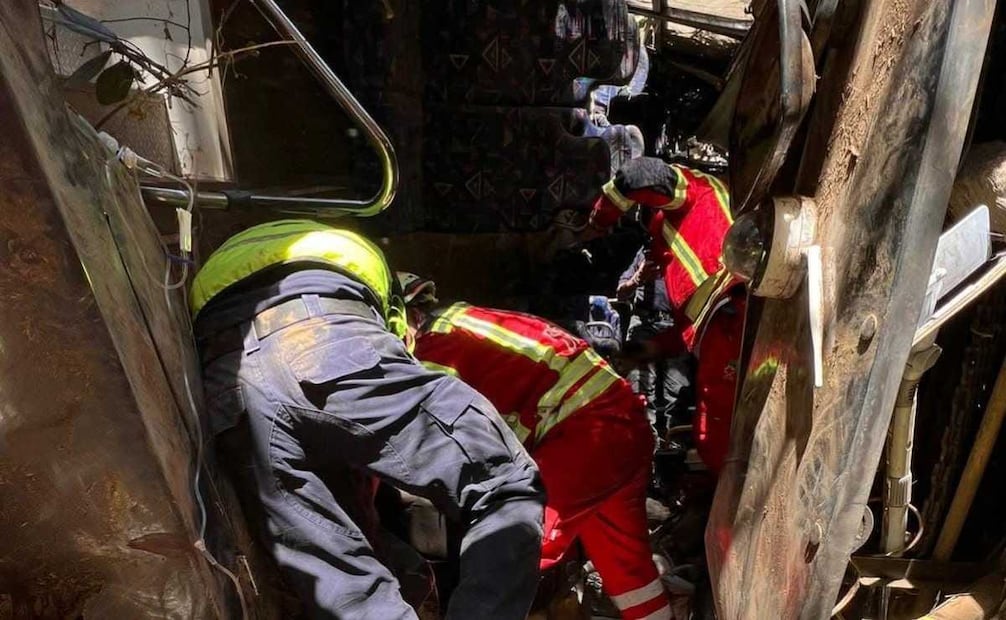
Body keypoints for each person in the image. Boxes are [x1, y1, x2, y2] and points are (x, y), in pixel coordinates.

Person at [190, 220, 545, 619]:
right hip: (321, 335)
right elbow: (387, 370)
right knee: (503, 482)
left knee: (353, 592)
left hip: (226, 381)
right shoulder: (382, 289)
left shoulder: (264, 247)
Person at [399, 273, 674, 620]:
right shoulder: (463, 321)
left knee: (511, 549)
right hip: (616, 423)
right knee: (626, 568)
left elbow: (423, 441)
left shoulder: (433, 351)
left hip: (587, 431)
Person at [582, 156, 744, 474]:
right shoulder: (667, 251)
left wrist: (598, 221)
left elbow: (636, 174)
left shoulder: (699, 191)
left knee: (714, 440)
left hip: (731, 310)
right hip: (716, 329)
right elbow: (687, 329)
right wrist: (641, 352)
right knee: (713, 440)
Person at [617, 247, 695, 439]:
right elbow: (621, 293)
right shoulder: (645, 253)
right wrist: (639, 278)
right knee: (638, 387)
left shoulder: (689, 250)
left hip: (676, 326)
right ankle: (641, 441)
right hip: (643, 322)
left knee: (675, 390)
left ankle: (668, 442)